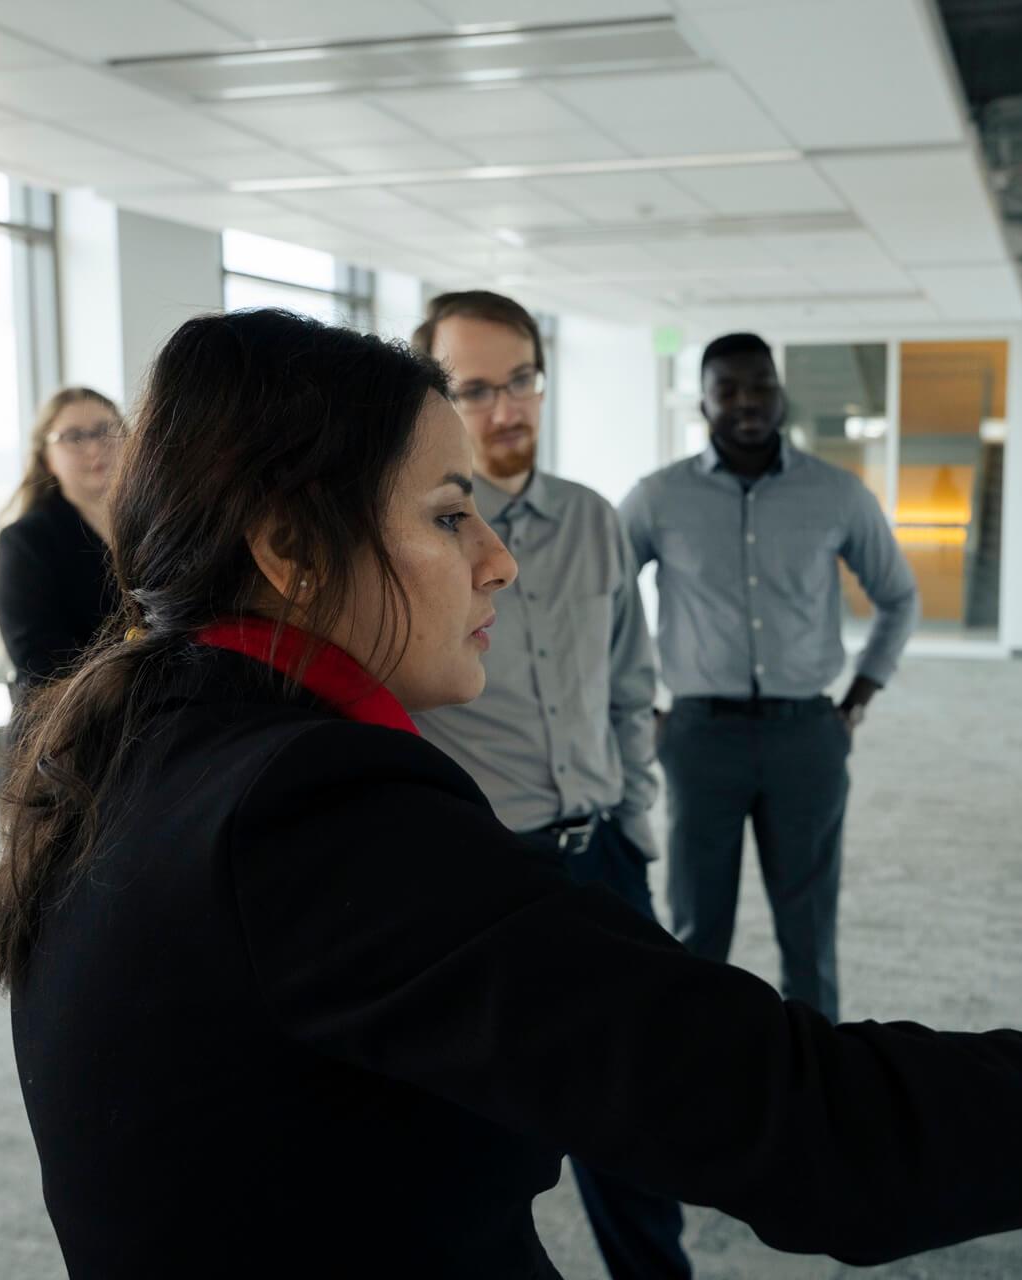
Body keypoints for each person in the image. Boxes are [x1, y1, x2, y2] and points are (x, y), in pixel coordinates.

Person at [0, 308, 1022, 1278]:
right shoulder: (307, 813)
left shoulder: (139, 745)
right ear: (286, 545)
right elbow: (797, 1123)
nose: (496, 564)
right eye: (446, 515)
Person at [408, 292, 687, 1278]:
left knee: (639, 1115)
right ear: (433, 398)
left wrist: (636, 821)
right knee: (485, 1141)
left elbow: (629, 680)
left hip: (605, 852)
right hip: (489, 879)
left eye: (521, 378)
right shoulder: (410, 540)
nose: (506, 407)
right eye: (473, 388)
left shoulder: (593, 519)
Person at [618, 333, 917, 1021]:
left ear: (781, 393)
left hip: (806, 736)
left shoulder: (836, 493)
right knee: (696, 930)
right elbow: (603, 596)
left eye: (760, 385)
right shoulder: (658, 497)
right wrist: (642, 707)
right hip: (697, 738)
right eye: (729, 388)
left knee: (809, 931)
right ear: (704, 401)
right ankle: (697, 1073)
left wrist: (858, 698)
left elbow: (898, 596)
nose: (747, 401)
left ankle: (816, 1083)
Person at [0, 387, 123, 700]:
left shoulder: (161, 526)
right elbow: (42, 666)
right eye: (74, 437)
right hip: (72, 729)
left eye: (106, 430)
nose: (94, 448)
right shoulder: (24, 543)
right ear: (47, 459)